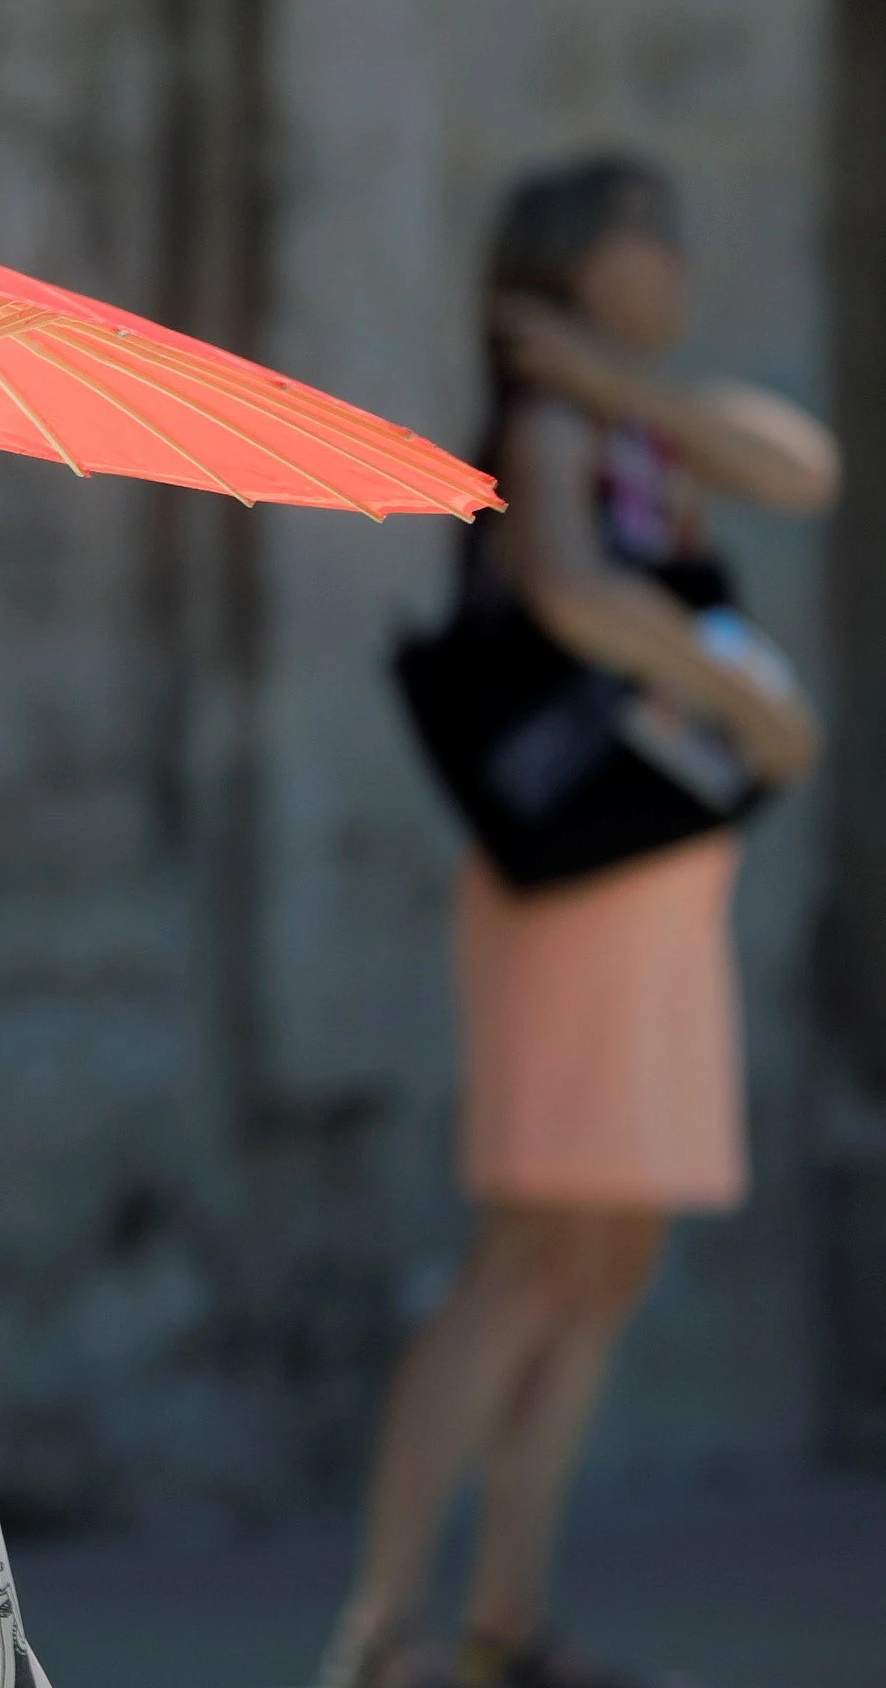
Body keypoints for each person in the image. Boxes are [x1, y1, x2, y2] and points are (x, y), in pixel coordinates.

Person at [319, 159, 838, 1688]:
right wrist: (752, 703)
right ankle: (388, 1628)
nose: (678, 255)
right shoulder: (549, 424)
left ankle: (505, 1624)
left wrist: (635, 388)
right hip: (579, 898)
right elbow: (564, 583)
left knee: (605, 1263)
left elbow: (802, 469)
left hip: (657, 890)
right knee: (533, 1255)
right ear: (576, 257)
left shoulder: (617, 412)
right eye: (648, 230)